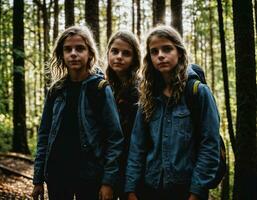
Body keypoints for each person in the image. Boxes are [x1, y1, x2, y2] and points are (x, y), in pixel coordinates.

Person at [125, 25, 220, 200]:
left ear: (180, 52)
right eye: (154, 51)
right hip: (150, 188)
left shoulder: (197, 92)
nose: (160, 55)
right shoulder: (148, 96)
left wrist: (196, 192)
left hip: (185, 189)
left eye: (167, 49)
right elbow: (137, 145)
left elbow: (210, 145)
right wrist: (130, 189)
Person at [31, 25, 123, 200]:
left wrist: (108, 182)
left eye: (80, 48)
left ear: (90, 53)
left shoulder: (100, 89)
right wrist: (38, 179)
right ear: (62, 54)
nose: (73, 53)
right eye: (68, 49)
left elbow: (115, 138)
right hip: (57, 174)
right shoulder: (56, 90)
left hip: (90, 176)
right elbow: (44, 135)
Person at [105, 30, 141, 200]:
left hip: (133, 168)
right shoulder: (103, 86)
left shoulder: (140, 91)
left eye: (126, 53)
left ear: (135, 58)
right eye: (115, 51)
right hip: (108, 166)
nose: (119, 57)